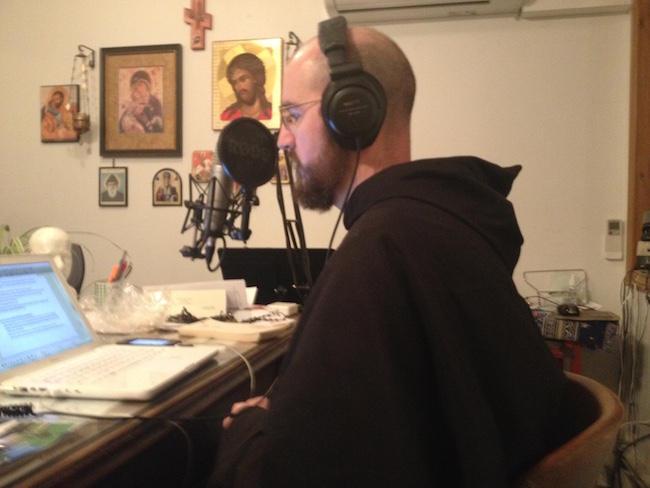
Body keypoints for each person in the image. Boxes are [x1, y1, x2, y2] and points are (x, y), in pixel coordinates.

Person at [210, 17, 571, 488]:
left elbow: (301, 472)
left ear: (352, 112)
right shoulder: (440, 219)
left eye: (293, 115)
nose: (282, 138)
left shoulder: (380, 250)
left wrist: (250, 429)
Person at [220, 52, 272, 121]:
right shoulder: (226, 117)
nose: (239, 87)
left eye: (243, 79)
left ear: (255, 78)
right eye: (234, 83)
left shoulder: (273, 114)